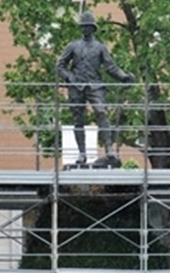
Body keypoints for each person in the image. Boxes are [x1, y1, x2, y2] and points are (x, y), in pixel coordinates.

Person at [55, 11, 135, 165]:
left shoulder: (100, 47)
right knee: (78, 120)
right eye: (83, 27)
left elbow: (111, 67)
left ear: (93, 29)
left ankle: (108, 149)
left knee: (101, 112)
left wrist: (124, 76)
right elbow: (59, 65)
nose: (85, 30)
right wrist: (69, 77)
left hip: (95, 85)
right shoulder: (73, 46)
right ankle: (82, 153)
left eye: (88, 27)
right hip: (76, 87)